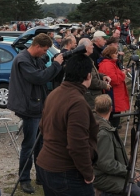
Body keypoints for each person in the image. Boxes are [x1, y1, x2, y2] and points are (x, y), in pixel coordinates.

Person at [7, 33, 63, 194]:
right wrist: (56, 65)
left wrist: (56, 61)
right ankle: (24, 179)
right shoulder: (23, 60)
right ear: (37, 46)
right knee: (29, 145)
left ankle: (40, 175)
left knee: (41, 144)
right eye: (45, 50)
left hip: (37, 105)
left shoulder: (34, 58)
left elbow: (45, 73)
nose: (45, 53)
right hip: (29, 108)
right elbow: (39, 77)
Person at [37, 54, 99, 196]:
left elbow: (42, 127)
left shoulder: (55, 93)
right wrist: (88, 174)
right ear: (88, 76)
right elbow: (77, 146)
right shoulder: (77, 103)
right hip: (65, 171)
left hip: (46, 165)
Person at [93, 94, 140, 196]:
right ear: (111, 108)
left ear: (95, 108)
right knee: (139, 194)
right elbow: (106, 164)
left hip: (107, 173)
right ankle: (102, 193)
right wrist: (129, 172)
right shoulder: (103, 133)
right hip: (101, 177)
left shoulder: (100, 123)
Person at [98, 46, 130, 128]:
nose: (117, 55)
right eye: (115, 53)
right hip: (113, 95)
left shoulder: (111, 63)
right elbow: (114, 80)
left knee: (115, 118)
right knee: (113, 119)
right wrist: (123, 74)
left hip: (115, 95)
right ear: (110, 54)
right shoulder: (107, 64)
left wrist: (122, 72)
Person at [78, 38, 111, 110]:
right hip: (90, 98)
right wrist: (105, 85)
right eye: (91, 45)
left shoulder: (86, 58)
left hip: (91, 96)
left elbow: (93, 74)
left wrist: (102, 76)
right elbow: (92, 81)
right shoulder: (84, 61)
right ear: (85, 47)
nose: (93, 46)